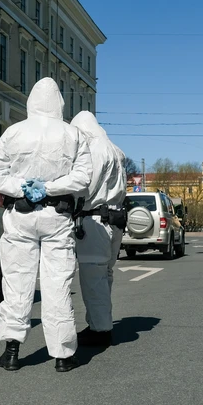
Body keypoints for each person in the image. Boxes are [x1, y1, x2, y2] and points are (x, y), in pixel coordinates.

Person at [0, 78, 93, 372]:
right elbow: (83, 178)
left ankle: (11, 351)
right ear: (59, 102)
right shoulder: (73, 134)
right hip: (56, 216)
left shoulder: (14, 132)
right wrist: (50, 188)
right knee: (57, 283)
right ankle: (62, 355)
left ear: (31, 101)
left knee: (17, 282)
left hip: (21, 215)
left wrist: (25, 188)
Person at [70, 111, 127, 348]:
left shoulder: (95, 149)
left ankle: (100, 329)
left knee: (93, 276)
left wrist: (71, 204)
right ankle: (97, 322)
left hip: (95, 220)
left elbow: (86, 186)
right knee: (105, 275)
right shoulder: (116, 150)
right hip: (114, 219)